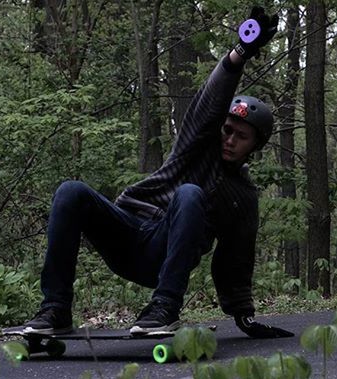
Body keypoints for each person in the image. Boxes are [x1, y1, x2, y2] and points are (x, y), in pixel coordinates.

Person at [21, 6, 294, 340]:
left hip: (164, 252)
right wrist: (239, 53)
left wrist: (245, 317)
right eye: (227, 130)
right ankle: (56, 309)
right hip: (128, 230)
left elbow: (236, 256)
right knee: (70, 191)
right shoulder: (197, 143)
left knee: (190, 193)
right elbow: (209, 101)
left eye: (241, 136)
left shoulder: (243, 196)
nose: (229, 139)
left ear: (256, 145)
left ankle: (164, 308)